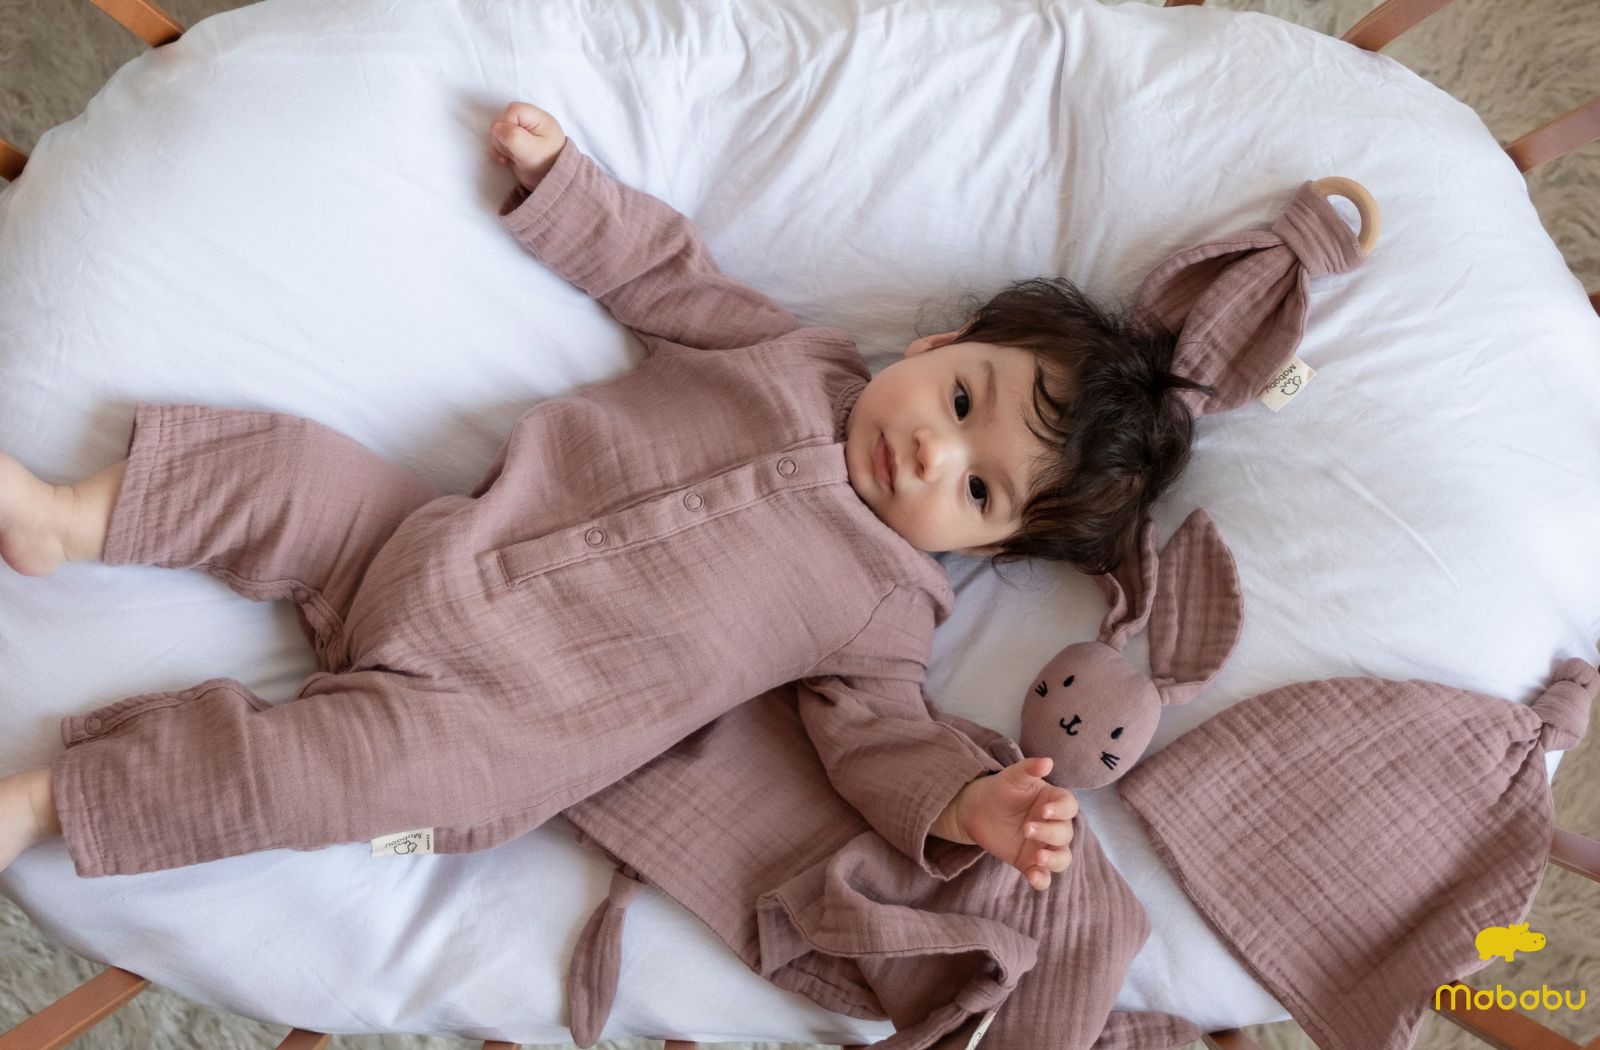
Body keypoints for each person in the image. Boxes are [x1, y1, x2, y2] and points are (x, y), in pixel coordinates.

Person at [0, 102, 1204, 888]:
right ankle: (64, 521)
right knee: (282, 469)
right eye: (958, 403)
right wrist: (564, 187)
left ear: (987, 545)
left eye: (982, 488)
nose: (934, 458)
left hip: (486, 739)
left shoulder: (890, 613)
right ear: (937, 342)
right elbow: (665, 276)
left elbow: (873, 744)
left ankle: (65, 797)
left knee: (306, 781)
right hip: (427, 541)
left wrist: (966, 806)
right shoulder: (788, 357)